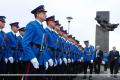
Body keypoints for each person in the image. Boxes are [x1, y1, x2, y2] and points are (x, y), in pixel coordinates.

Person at [22, 5, 48, 80]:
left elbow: (44, 46)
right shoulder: (32, 25)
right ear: (37, 14)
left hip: (41, 59)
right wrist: (32, 57)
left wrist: (45, 60)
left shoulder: (42, 27)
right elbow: (25, 43)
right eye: (43, 13)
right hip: (34, 58)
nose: (45, 15)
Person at [0, 16, 8, 80]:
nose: (4, 23)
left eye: (4, 22)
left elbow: (5, 46)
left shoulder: (4, 34)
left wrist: (6, 56)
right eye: (2, 22)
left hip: (2, 56)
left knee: (3, 73)